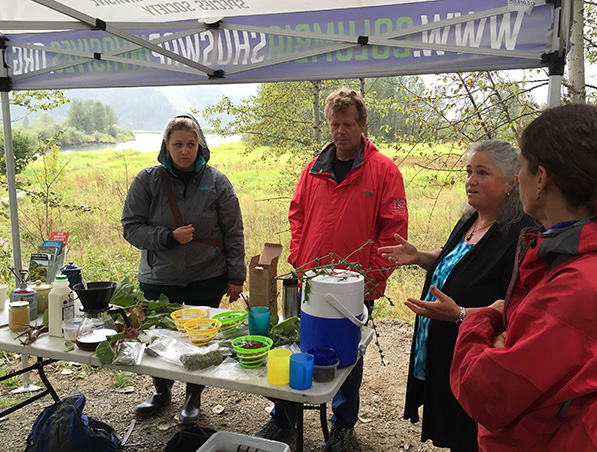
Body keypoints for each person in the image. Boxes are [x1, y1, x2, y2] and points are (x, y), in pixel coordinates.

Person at [450, 104, 597, 451]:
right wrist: (504, 338)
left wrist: (484, 320)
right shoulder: (593, 255)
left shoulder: (583, 284)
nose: (519, 176)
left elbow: (485, 393)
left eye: (523, 166)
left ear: (541, 178)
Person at [254, 87, 408, 452]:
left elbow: (393, 232)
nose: (340, 131)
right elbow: (298, 213)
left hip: (354, 288)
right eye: (334, 124)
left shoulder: (383, 171)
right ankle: (284, 418)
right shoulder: (314, 167)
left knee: (346, 359)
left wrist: (369, 281)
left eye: (348, 124)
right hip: (310, 282)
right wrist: (298, 255)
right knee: (298, 348)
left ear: (363, 125)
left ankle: (343, 425)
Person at [379, 140, 536, 452]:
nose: (471, 180)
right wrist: (421, 256)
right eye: (468, 172)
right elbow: (457, 259)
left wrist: (461, 314)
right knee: (455, 432)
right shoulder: (472, 218)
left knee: (471, 436)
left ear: (510, 182)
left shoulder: (521, 234)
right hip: (447, 350)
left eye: (482, 173)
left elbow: (518, 307)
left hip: (478, 361)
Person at [121, 113, 246, 425]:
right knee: (157, 336)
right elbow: (131, 227)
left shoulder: (217, 181)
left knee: (199, 340)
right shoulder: (146, 180)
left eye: (191, 144)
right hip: (158, 276)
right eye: (178, 144)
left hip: (207, 276)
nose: (185, 150)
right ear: (167, 145)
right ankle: (162, 392)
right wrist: (167, 237)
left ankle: (193, 397)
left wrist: (236, 276)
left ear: (199, 145)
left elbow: (233, 230)